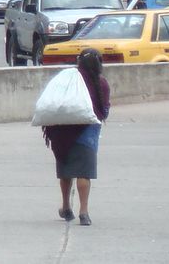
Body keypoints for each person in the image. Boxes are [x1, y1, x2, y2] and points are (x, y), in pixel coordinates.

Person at [42, 48, 111, 226]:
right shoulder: (101, 83)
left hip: (62, 132)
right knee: (84, 173)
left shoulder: (68, 79)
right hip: (87, 133)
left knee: (65, 172)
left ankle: (65, 206)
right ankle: (84, 212)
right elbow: (104, 111)